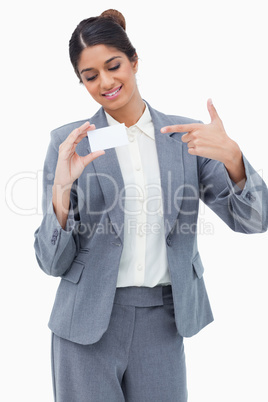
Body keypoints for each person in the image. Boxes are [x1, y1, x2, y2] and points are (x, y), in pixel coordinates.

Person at [34, 9, 268, 402]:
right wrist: (61, 189)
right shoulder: (70, 143)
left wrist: (234, 159)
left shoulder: (184, 137)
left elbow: (255, 220)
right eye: (91, 76)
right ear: (81, 81)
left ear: (134, 61)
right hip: (85, 325)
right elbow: (51, 263)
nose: (106, 82)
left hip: (164, 321)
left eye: (114, 66)